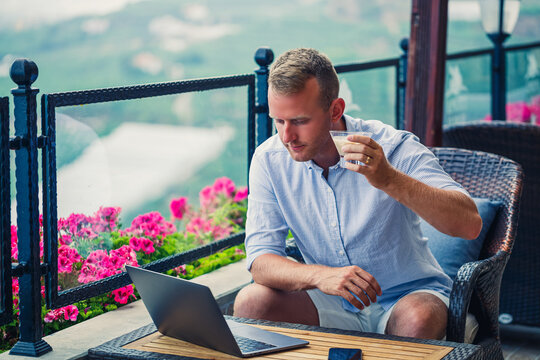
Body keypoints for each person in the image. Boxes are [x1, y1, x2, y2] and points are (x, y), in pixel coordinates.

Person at [233, 48, 482, 340]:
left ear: (335, 110)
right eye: (279, 121)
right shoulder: (269, 159)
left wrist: (388, 178)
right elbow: (261, 260)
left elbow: (469, 225)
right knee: (251, 302)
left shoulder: (393, 146)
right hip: (329, 299)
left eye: (299, 121)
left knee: (418, 319)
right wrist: (321, 276)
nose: (287, 137)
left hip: (407, 295)